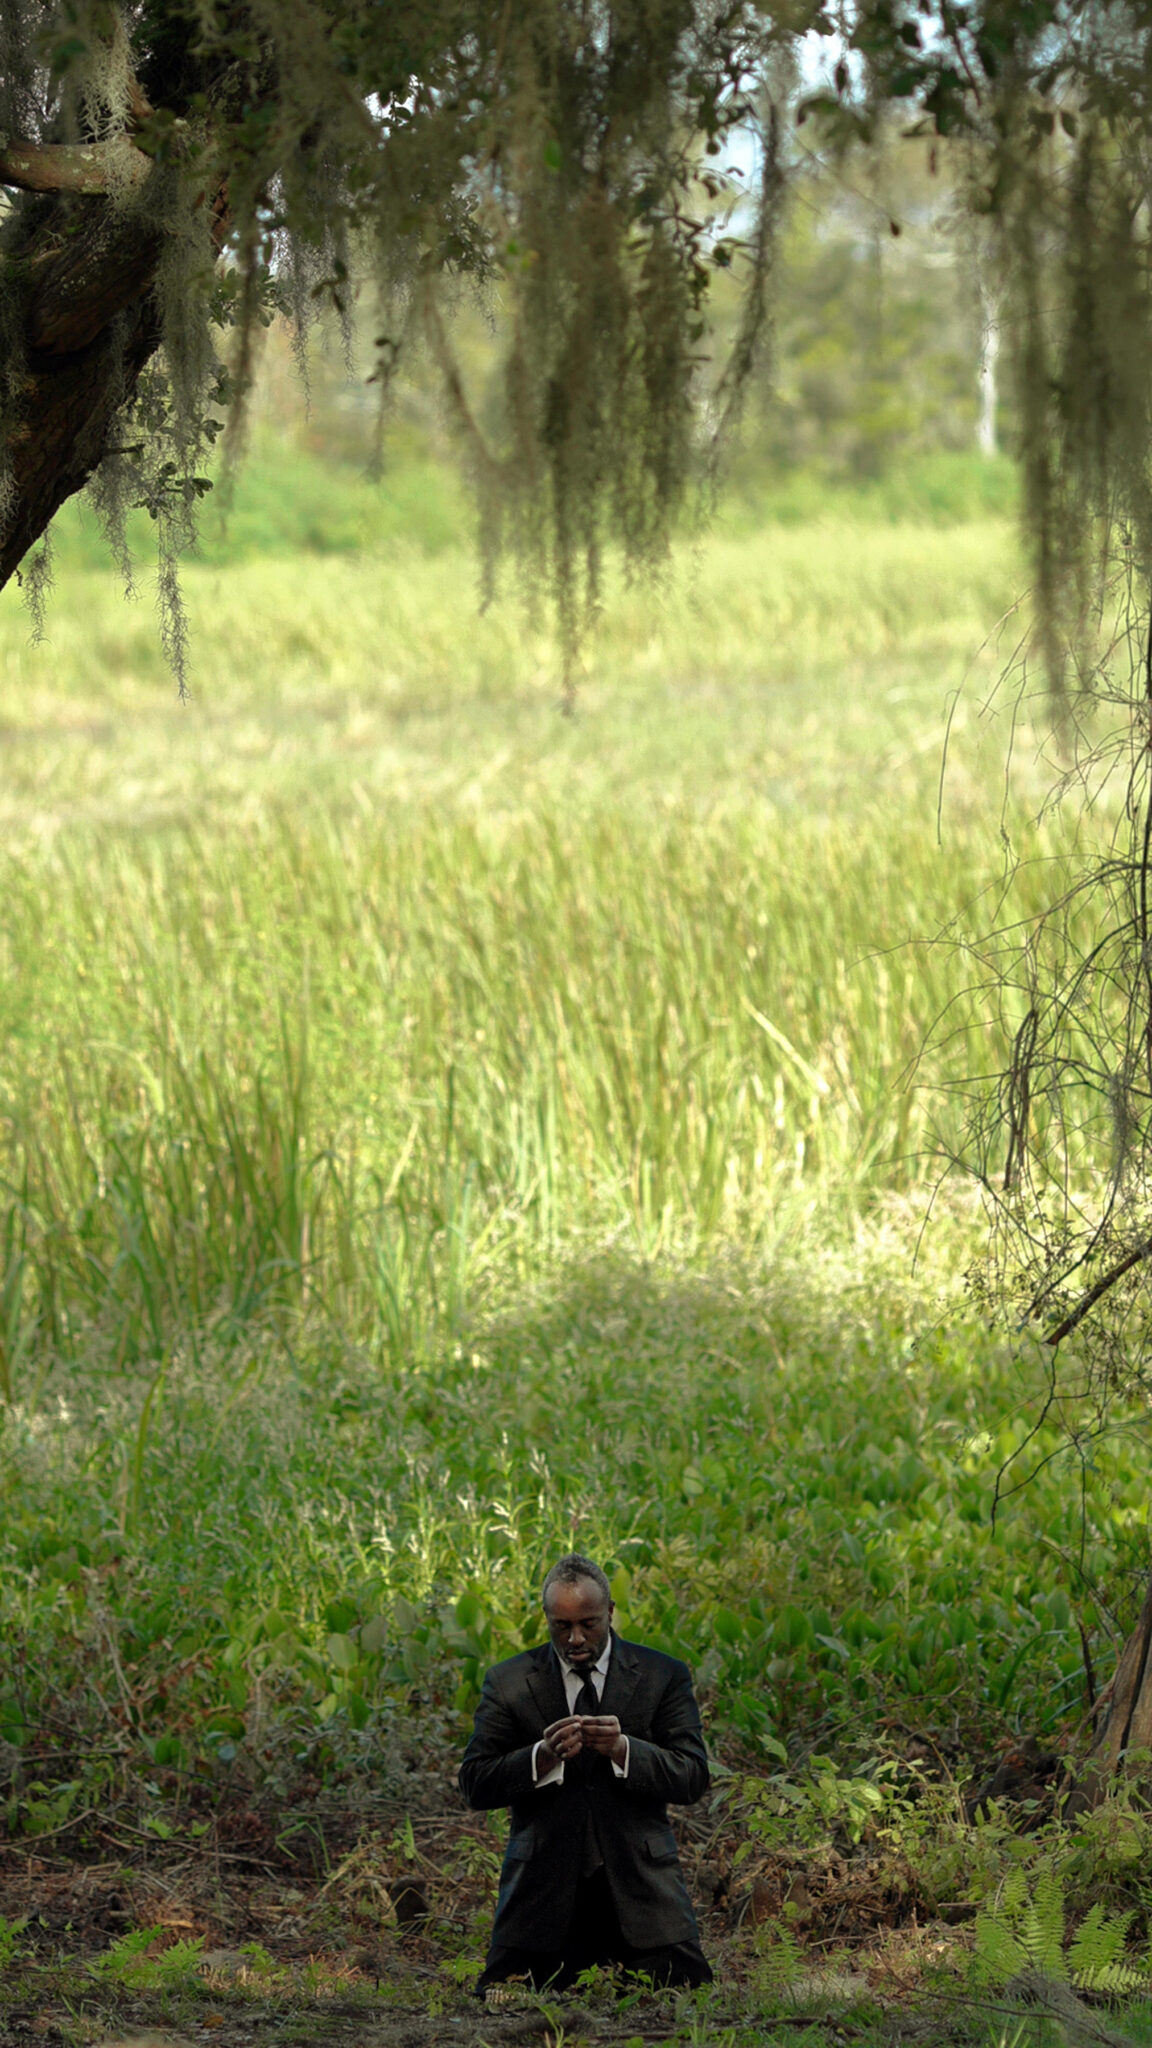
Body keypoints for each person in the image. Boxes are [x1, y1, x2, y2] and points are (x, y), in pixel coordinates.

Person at [458, 1552, 713, 1994]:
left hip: (643, 1894)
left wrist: (623, 1749)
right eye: (561, 1626)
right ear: (546, 1619)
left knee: (691, 1993)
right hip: (542, 1897)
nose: (575, 1638)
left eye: (588, 1624)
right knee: (501, 1996)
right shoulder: (508, 1680)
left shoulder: (662, 1674)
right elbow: (475, 1783)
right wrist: (540, 1757)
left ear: (610, 1613)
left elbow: (692, 1776)